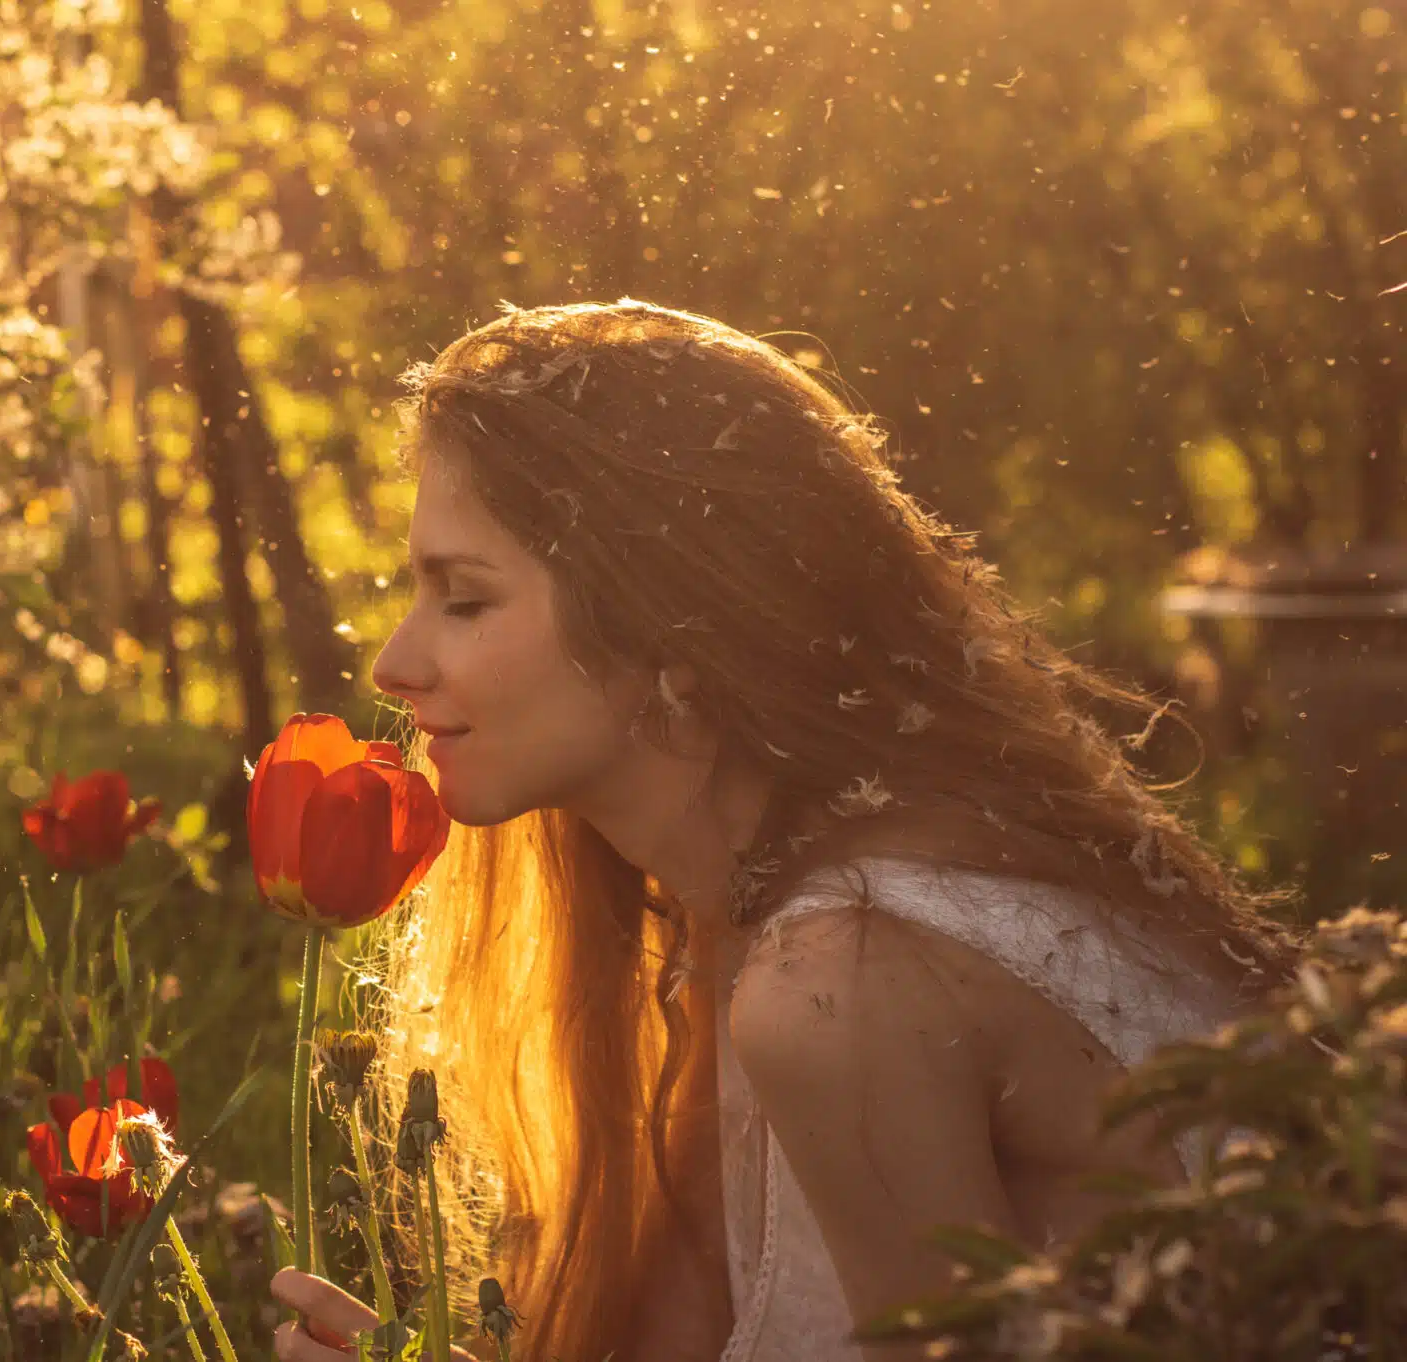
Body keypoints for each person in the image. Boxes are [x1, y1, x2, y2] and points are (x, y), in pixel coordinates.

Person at [267, 299, 1299, 1362]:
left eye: (464, 600)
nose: (394, 665)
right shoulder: (754, 928)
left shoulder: (840, 980)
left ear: (669, 625)